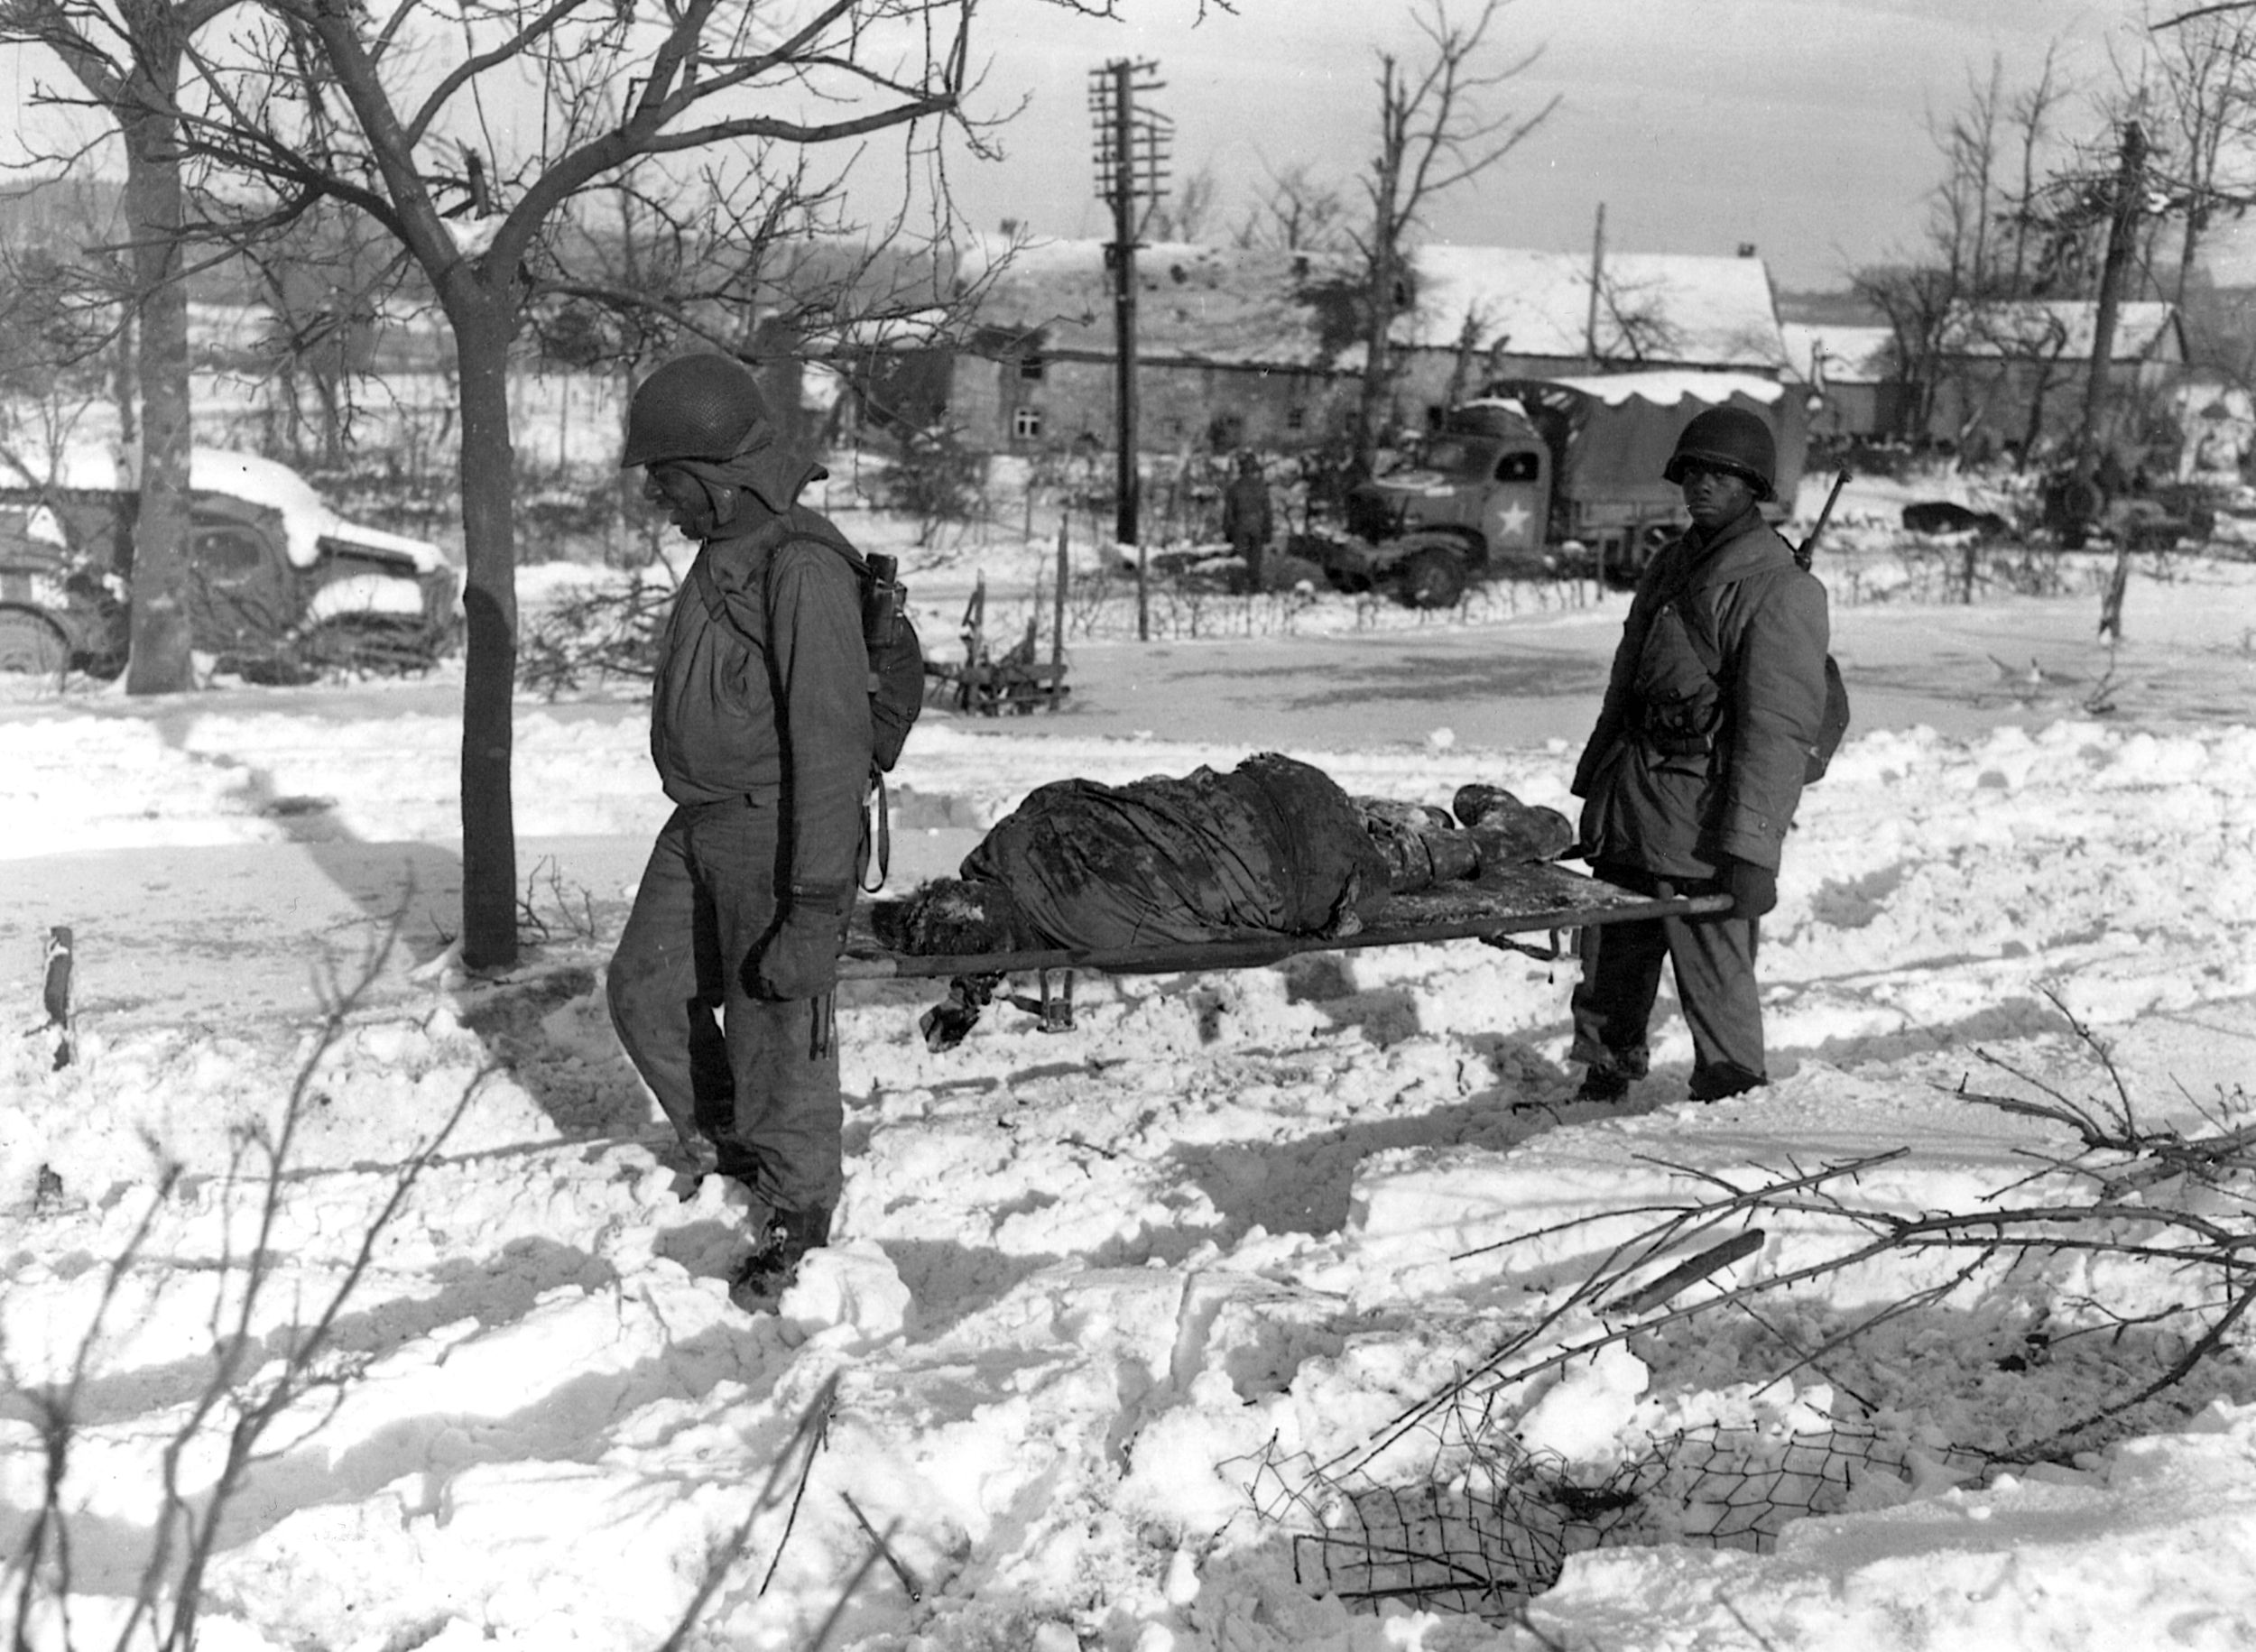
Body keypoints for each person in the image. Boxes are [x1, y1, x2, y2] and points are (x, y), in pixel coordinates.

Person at [605, 352, 874, 1312]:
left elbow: (834, 749)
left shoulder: (798, 566)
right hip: (703, 818)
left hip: (774, 824)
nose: (658, 501)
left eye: (667, 480)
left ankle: (800, 1217)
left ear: (714, 470)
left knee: (775, 1021)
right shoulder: (727, 548)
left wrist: (812, 904)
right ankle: (733, 1154)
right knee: (643, 986)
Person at [1566, 405, 1830, 1104]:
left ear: (1753, 487)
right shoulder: (1670, 563)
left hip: (1705, 815)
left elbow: (1777, 731)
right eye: (1692, 471)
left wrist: (1753, 849)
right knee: (1613, 950)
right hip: (1637, 795)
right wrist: (1597, 778)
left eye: (1721, 474)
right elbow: (1629, 679)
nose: (1701, 486)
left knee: (1713, 960)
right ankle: (1605, 1070)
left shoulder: (1777, 586)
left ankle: (1730, 1089)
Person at [1220, 450, 1275, 587]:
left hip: (1240, 526)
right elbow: (1268, 512)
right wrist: (1268, 530)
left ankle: (1237, 587)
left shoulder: (1235, 487)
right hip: (1257, 526)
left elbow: (1228, 512)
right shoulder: (1261, 487)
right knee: (1255, 559)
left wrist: (1228, 531)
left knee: (1240, 558)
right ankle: (1254, 585)